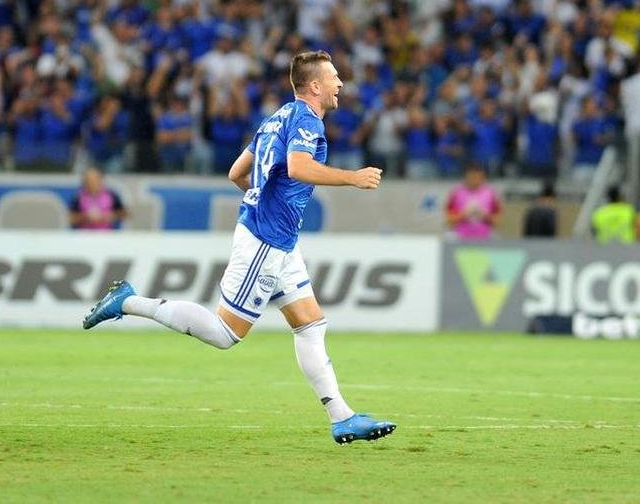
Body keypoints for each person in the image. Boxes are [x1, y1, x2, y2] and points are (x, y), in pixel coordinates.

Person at [82, 51, 395, 444]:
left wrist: (264, 200)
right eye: (334, 78)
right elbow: (298, 168)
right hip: (266, 241)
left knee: (311, 326)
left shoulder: (276, 118)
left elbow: (236, 173)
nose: (340, 84)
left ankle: (342, 417)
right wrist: (351, 177)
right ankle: (128, 302)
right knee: (225, 334)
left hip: (279, 241)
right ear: (314, 85)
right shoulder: (304, 120)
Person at [445, 163, 502, 240]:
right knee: (448, 237)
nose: (475, 180)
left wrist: (484, 215)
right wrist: (464, 215)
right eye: (472, 177)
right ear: (466, 177)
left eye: (478, 177)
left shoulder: (491, 194)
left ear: (483, 178)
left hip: (485, 235)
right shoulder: (456, 193)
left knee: (497, 238)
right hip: (461, 235)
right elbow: (449, 221)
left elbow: (497, 221)